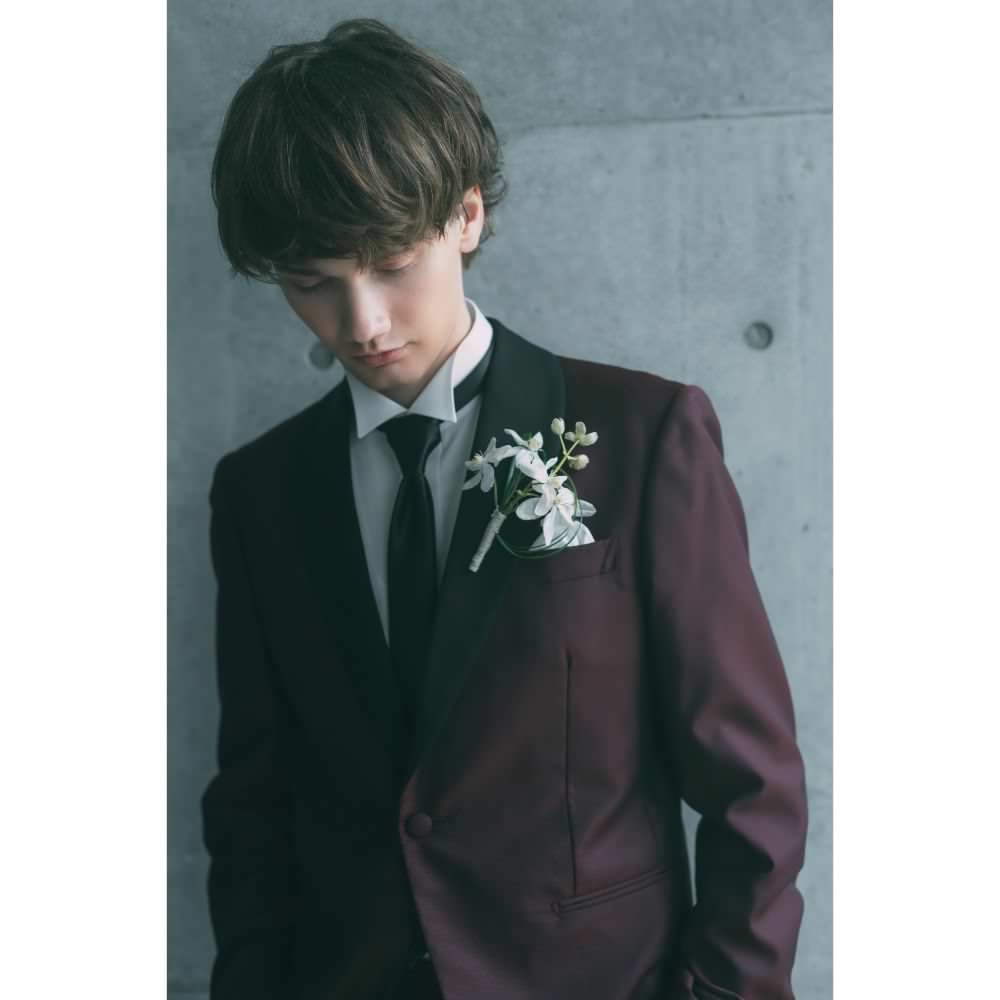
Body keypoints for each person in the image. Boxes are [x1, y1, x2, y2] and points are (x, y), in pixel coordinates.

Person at [201, 17, 808, 1000]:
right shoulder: (259, 490)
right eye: (312, 285)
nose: (362, 323)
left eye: (392, 264)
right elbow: (252, 809)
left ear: (467, 216)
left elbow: (751, 785)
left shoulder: (645, 436)